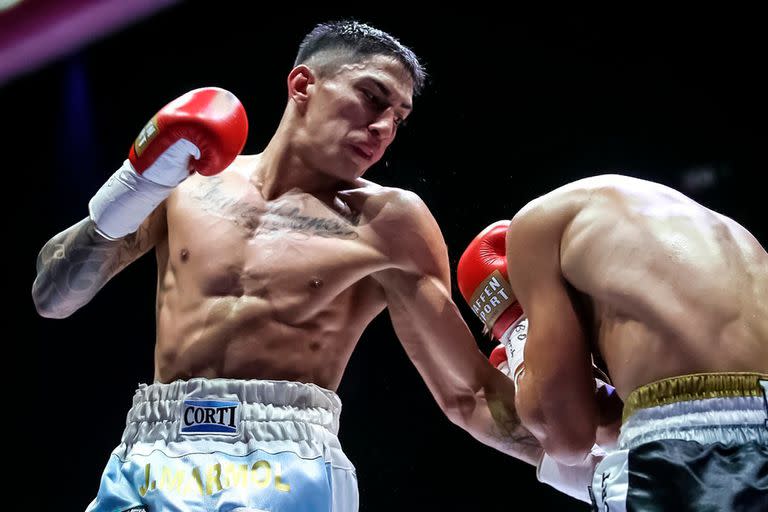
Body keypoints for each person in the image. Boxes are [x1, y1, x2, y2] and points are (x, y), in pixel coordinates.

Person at [32, 20, 541, 512]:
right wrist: (135, 184)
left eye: (399, 118)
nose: (384, 127)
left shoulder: (389, 221)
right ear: (303, 84)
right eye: (372, 97)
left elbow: (467, 394)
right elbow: (52, 299)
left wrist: (587, 463)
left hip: (284, 463)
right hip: (149, 452)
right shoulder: (185, 183)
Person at [457, 173, 768, 511]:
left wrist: (517, 338)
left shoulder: (535, 226)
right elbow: (616, 424)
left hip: (691, 449)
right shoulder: (717, 237)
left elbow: (567, 439)